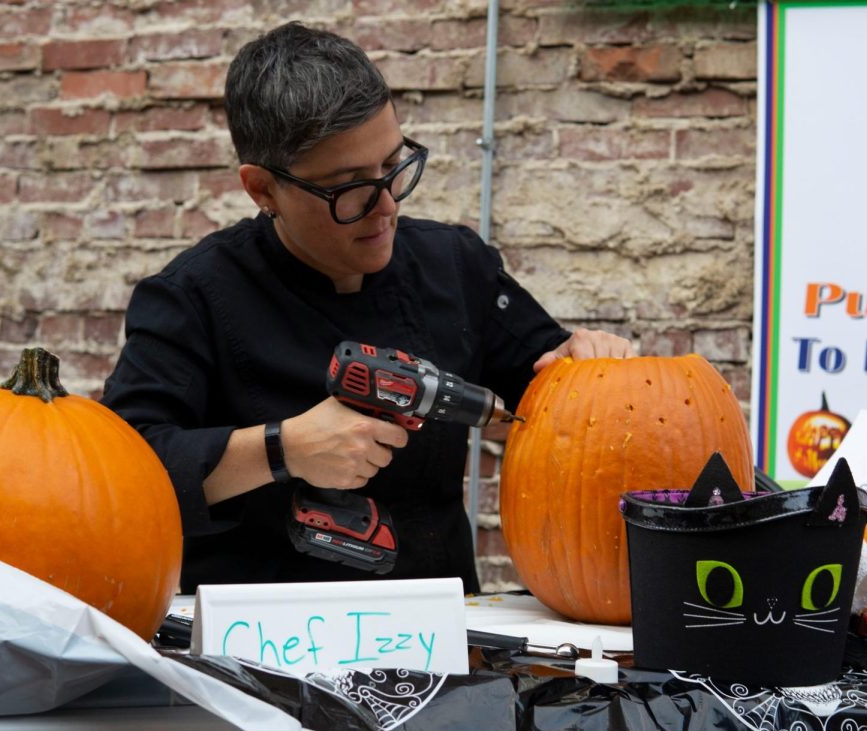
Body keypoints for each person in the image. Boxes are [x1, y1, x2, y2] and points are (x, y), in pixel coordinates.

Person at [101, 22, 633, 595]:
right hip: (258, 651)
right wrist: (281, 449)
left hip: (444, 633)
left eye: (392, 165)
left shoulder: (456, 267)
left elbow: (547, 400)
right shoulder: (192, 297)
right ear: (262, 190)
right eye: (346, 188)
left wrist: (585, 372)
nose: (384, 206)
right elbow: (120, 473)